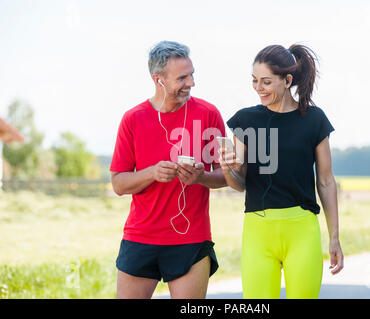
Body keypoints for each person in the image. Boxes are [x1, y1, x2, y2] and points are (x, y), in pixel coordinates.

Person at [220, 44, 344, 299]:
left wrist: (334, 237)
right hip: (258, 232)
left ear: (287, 80)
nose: (258, 88)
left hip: (302, 232)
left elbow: (326, 182)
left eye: (266, 81)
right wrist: (227, 168)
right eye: (254, 81)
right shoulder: (245, 121)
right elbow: (239, 183)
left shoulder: (314, 119)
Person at [110, 41, 227, 299]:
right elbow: (118, 184)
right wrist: (151, 173)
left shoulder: (208, 114)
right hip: (141, 237)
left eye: (192, 75)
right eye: (183, 77)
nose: (191, 83)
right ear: (159, 79)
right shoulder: (133, 119)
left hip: (191, 239)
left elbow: (228, 175)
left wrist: (202, 177)